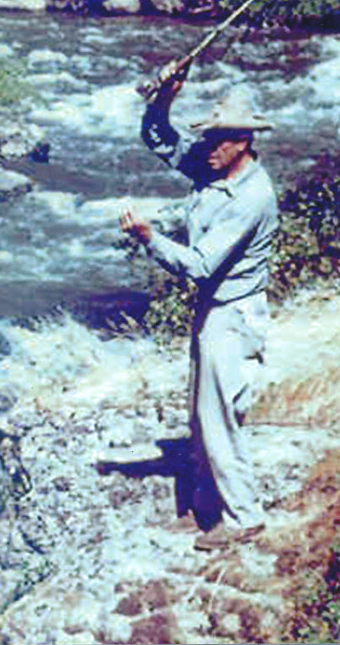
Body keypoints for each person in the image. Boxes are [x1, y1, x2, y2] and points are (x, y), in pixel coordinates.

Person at [119, 67, 279, 552]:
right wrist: (163, 99)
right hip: (215, 311)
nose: (208, 147)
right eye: (208, 138)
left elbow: (201, 265)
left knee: (218, 416)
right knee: (200, 413)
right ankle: (208, 508)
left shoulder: (251, 197)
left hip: (232, 315)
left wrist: (149, 238)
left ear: (244, 141)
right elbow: (158, 139)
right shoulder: (213, 166)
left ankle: (244, 516)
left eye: (220, 140)